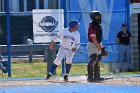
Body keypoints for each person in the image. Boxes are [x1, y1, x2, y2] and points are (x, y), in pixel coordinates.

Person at [87, 11, 104, 82]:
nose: (98, 17)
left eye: (99, 16)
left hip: (98, 43)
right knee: (93, 58)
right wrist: (98, 45)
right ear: (93, 17)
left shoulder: (98, 25)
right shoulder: (92, 26)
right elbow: (93, 37)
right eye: (96, 16)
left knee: (98, 59)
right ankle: (90, 77)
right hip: (93, 44)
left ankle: (97, 76)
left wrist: (100, 45)